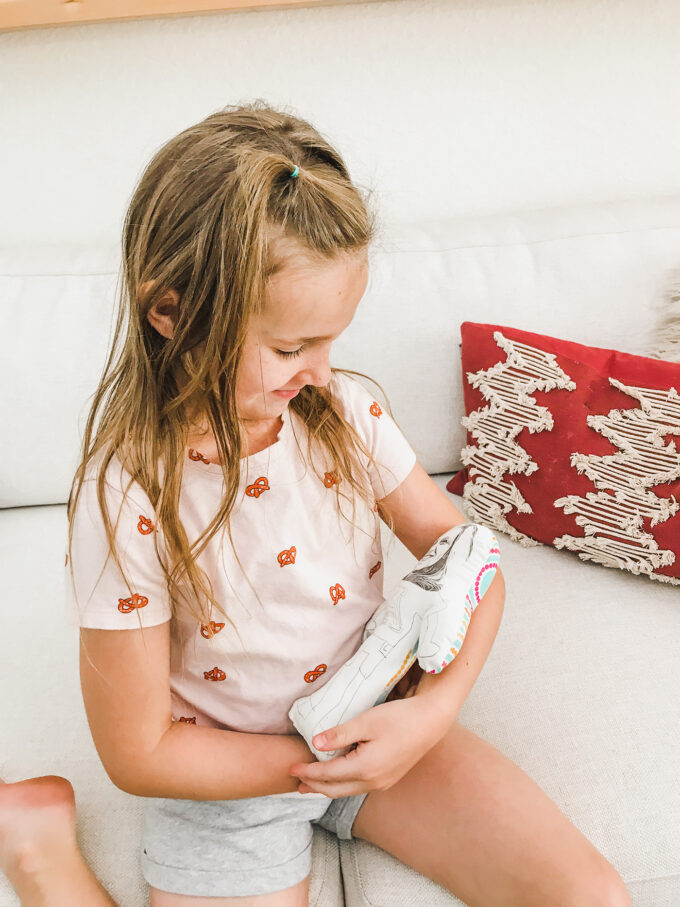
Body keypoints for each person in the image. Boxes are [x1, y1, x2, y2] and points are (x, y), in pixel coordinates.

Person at [0, 101, 630, 907]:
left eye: (333, 340)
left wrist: (428, 717)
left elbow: (472, 561)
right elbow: (138, 751)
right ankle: (38, 845)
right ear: (171, 312)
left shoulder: (344, 416)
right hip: (224, 775)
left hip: (376, 723)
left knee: (593, 897)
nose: (323, 374)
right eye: (292, 348)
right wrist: (321, 758)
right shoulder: (126, 497)